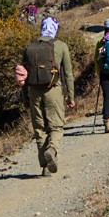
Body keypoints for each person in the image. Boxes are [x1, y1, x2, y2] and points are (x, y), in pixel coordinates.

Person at [14, 16, 74, 175]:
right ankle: (52, 149)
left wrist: (25, 98)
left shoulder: (29, 48)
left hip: (34, 91)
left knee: (39, 128)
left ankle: (45, 166)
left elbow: (22, 76)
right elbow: (68, 74)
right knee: (56, 126)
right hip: (53, 89)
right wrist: (71, 96)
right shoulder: (61, 46)